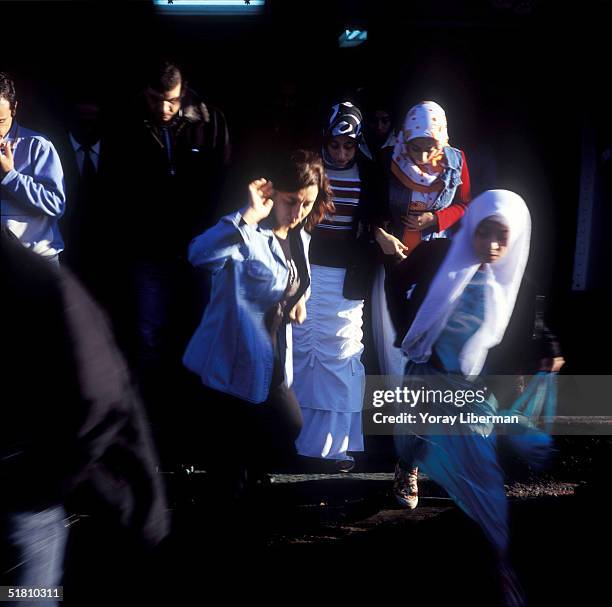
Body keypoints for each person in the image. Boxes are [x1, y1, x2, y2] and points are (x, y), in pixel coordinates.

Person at [386, 190, 563, 605]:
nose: (493, 246)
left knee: (481, 468)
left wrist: (549, 351)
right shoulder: (439, 257)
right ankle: (407, 464)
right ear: (473, 229)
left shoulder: (516, 281)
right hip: (424, 372)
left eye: (503, 237)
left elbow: (534, 324)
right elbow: (396, 279)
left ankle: (499, 559)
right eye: (485, 234)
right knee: (411, 438)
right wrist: (409, 334)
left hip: (469, 387)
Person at [1, 227, 169, 604]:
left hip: (24, 511)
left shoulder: (30, 280)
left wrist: (32, 484)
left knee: (23, 596)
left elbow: (97, 395)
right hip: (28, 497)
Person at [183, 149, 333, 494]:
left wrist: (298, 302)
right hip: (234, 359)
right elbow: (198, 255)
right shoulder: (246, 233)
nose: (298, 213)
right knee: (232, 465)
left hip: (272, 356)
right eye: (290, 201)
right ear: (271, 194)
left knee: (286, 426)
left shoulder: (300, 236)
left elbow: (295, 279)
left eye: (307, 204)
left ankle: (244, 479)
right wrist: (248, 215)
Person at [111, 59, 231, 466]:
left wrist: (215, 239)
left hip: (199, 247)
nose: (165, 109)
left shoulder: (209, 121)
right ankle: (150, 431)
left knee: (199, 335)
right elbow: (116, 186)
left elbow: (224, 180)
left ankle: (194, 428)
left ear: (184, 94)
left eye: (172, 101)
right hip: (147, 249)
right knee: (147, 339)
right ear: (145, 93)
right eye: (157, 100)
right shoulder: (127, 122)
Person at [291, 101, 396, 470]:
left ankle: (336, 445)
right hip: (307, 267)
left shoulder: (369, 173)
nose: (340, 153)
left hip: (347, 274)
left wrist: (380, 236)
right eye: (334, 145)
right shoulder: (310, 167)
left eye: (348, 146)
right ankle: (303, 440)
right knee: (302, 351)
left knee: (341, 352)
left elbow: (376, 219)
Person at [372, 99, 472, 379]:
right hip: (396, 255)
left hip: (435, 258)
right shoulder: (389, 158)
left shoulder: (457, 161)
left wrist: (435, 219)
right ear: (404, 138)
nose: (423, 156)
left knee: (429, 328)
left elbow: (465, 203)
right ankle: (394, 405)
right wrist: (382, 235)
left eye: (431, 147)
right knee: (395, 331)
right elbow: (372, 205)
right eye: (415, 148)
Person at [0, 72, 66, 264]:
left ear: (14, 109)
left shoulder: (38, 145)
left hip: (37, 264)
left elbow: (56, 204)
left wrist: (10, 176)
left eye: (1, 122)